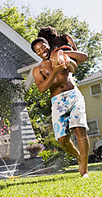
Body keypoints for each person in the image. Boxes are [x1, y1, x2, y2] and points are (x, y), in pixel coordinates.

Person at [31, 37, 90, 178]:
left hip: (73, 95)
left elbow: (84, 57)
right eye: (38, 50)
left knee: (79, 129)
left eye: (43, 47)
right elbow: (42, 88)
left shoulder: (61, 54)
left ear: (48, 45)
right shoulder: (37, 69)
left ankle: (84, 170)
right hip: (57, 101)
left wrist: (64, 54)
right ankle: (79, 156)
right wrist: (56, 71)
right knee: (62, 139)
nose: (42, 51)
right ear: (36, 53)